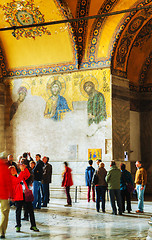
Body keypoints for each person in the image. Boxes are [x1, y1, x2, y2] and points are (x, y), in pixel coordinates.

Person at [9, 163, 39, 232]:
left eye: (14, 169)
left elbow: (27, 175)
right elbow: (18, 180)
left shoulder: (19, 175)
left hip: (25, 195)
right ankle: (18, 226)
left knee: (31, 211)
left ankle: (33, 225)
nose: (14, 170)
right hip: (18, 196)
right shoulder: (11, 178)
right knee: (18, 212)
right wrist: (22, 171)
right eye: (12, 169)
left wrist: (24, 168)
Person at [0, 159, 12, 239]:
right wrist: (11, 195)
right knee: (5, 212)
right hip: (4, 194)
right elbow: (9, 182)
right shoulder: (6, 169)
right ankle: (2, 231)